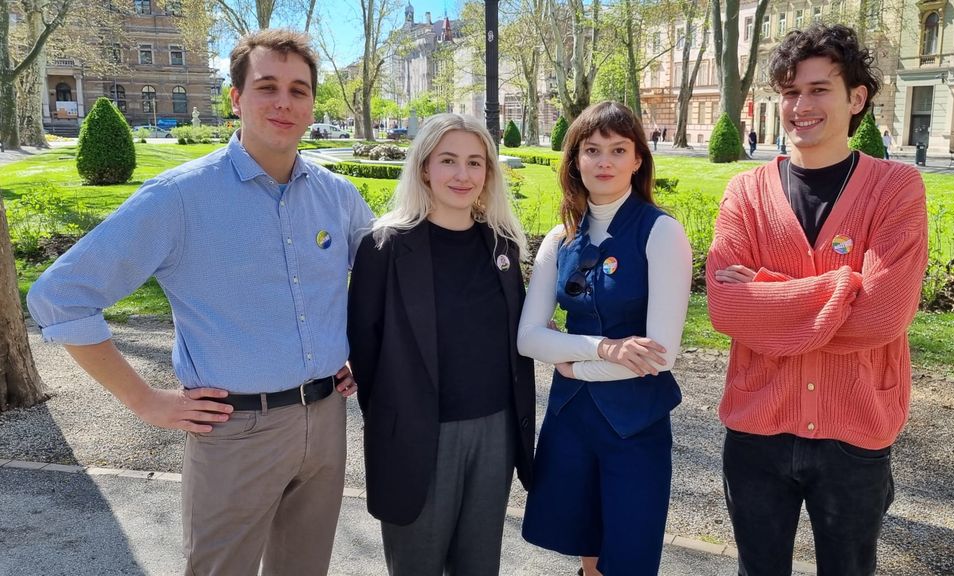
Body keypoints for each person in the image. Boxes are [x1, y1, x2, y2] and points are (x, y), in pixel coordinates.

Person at [27, 29, 373, 575]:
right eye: (266, 87)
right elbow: (60, 297)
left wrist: (354, 352)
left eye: (298, 90)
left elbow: (378, 288)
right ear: (235, 99)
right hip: (235, 431)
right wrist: (144, 400)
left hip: (327, 423)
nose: (284, 102)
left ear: (311, 104)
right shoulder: (180, 198)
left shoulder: (339, 196)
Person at [706, 24, 927, 576]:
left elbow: (882, 317)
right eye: (789, 91)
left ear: (857, 98)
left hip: (854, 432)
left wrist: (765, 291)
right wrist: (844, 285)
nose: (800, 105)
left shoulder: (896, 189)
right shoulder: (746, 193)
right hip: (757, 429)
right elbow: (725, 308)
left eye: (818, 89)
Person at [347, 113, 535, 576]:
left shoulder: (503, 246)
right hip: (416, 434)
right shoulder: (383, 246)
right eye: (448, 160)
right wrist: (397, 416)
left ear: (488, 173)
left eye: (475, 163)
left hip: (495, 432)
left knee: (478, 566)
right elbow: (364, 349)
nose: (462, 174)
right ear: (424, 167)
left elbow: (516, 344)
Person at [518, 101, 693, 576]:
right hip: (571, 417)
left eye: (619, 149)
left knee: (630, 556)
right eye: (592, 150)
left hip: (634, 424)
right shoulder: (561, 237)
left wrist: (572, 363)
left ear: (638, 159)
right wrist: (602, 352)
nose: (605, 162)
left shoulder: (661, 232)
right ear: (575, 159)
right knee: (587, 549)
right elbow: (529, 338)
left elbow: (659, 356)